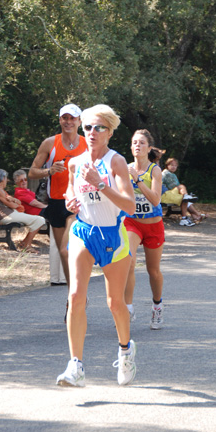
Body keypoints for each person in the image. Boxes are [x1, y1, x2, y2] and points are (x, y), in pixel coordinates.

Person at [56, 105, 137, 387]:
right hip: (83, 232)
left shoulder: (117, 162)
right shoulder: (75, 163)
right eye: (88, 127)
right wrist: (69, 200)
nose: (91, 132)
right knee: (76, 297)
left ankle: (126, 350)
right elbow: (69, 187)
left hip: (113, 235)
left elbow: (130, 205)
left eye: (98, 127)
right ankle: (75, 365)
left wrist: (101, 184)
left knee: (115, 303)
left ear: (110, 132)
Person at [28, 104, 87, 287]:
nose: (68, 122)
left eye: (72, 118)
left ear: (79, 121)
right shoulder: (50, 143)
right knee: (63, 251)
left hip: (78, 202)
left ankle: (77, 287)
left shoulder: (87, 143)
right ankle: (72, 291)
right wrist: (49, 171)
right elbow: (32, 172)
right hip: (56, 202)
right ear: (60, 119)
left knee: (68, 248)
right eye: (65, 118)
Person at [124, 130, 165, 329]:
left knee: (153, 271)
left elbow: (156, 199)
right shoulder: (125, 168)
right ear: (131, 147)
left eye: (141, 142)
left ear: (149, 148)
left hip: (153, 225)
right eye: (134, 142)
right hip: (132, 223)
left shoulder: (154, 170)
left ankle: (157, 305)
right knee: (129, 263)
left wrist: (138, 180)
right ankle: (128, 307)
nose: (137, 145)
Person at [0, 169, 46, 253]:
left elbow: (17, 202)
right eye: (6, 178)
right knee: (40, 220)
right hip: (7, 216)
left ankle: (25, 243)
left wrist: (14, 201)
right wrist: (15, 203)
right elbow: (13, 205)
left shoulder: (1, 191)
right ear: (3, 179)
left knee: (39, 220)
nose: (6, 180)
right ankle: (26, 246)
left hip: (11, 214)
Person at [161, 157, 207, 226]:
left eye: (175, 165)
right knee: (183, 190)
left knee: (185, 198)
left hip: (169, 193)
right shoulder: (167, 174)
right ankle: (196, 215)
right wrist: (182, 189)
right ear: (167, 165)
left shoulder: (171, 174)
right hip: (166, 194)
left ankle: (195, 215)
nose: (174, 167)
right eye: (171, 165)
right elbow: (174, 187)